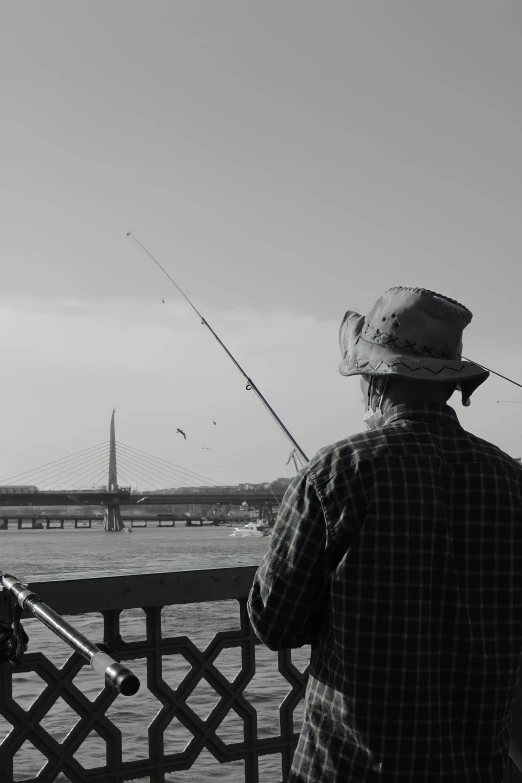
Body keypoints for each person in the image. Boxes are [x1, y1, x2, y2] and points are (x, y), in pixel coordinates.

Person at [247, 286, 522, 782]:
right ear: (449, 383)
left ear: (374, 380)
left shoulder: (337, 471)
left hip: (352, 769)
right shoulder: (510, 479)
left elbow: (275, 623)